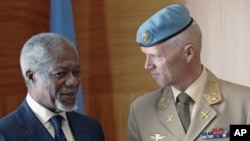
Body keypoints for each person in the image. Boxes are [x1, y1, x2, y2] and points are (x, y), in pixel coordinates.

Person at [128, 3, 250, 141]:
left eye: (156, 56)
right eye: (146, 55)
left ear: (188, 53)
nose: (148, 65)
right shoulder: (140, 111)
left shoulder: (244, 104)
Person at [0, 32, 105, 141]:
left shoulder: (91, 128)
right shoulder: (4, 134)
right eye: (60, 74)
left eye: (76, 72)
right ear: (32, 77)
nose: (73, 82)